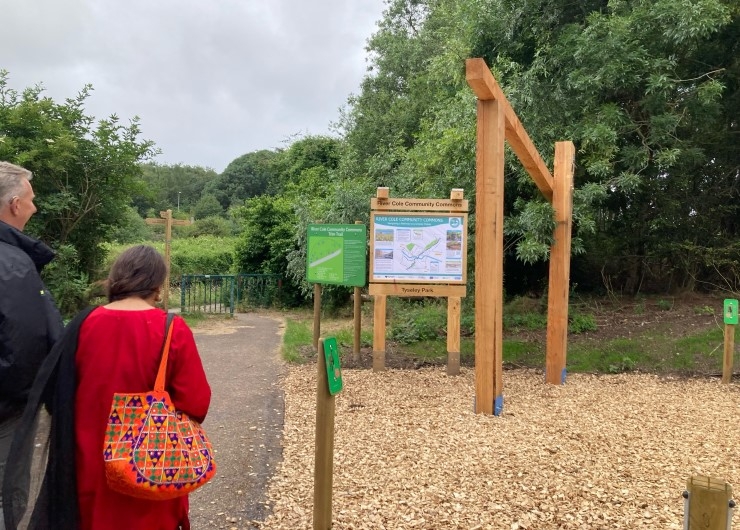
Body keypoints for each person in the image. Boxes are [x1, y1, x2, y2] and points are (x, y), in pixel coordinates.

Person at [2, 245, 212, 530]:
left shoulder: (83, 324)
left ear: (116, 279)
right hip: (150, 470)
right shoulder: (172, 329)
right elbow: (196, 402)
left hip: (89, 468)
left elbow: (56, 393)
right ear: (157, 286)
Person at [0, 161, 63, 527]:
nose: (34, 207)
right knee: (6, 499)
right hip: (6, 414)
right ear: (13, 205)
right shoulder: (12, 264)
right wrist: (33, 397)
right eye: (30, 198)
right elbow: (25, 345)